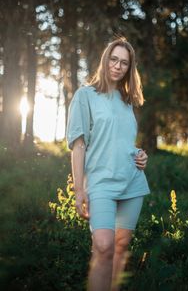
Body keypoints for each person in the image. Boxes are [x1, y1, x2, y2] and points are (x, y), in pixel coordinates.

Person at [66, 38, 150, 291]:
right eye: (114, 59)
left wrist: (140, 155)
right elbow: (78, 145)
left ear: (129, 67)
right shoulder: (85, 95)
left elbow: (122, 141)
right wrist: (80, 190)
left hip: (132, 181)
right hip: (100, 182)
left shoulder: (127, 100)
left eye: (124, 62)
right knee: (103, 246)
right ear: (105, 60)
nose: (118, 66)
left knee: (121, 245)